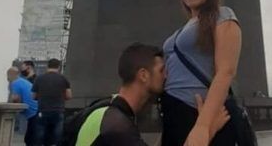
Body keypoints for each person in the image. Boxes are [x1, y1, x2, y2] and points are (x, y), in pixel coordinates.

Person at [74, 42, 228, 146]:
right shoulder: (117, 126)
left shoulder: (108, 111)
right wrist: (207, 129)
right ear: (143, 75)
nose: (167, 76)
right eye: (161, 70)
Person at [161, 0, 241, 146]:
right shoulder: (183, 28)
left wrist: (203, 125)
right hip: (173, 113)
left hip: (199, 113)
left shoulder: (223, 15)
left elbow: (226, 71)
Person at [32, 58, 72, 146]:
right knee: (56, 135)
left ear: (47, 66)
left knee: (40, 134)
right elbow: (69, 96)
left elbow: (33, 96)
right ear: (59, 67)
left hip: (42, 110)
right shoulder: (63, 79)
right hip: (58, 110)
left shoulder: (39, 78)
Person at [7, 66, 39, 146]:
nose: (7, 78)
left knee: (30, 140)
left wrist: (9, 103)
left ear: (10, 75)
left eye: (7, 75)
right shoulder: (22, 81)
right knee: (30, 138)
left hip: (33, 113)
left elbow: (16, 99)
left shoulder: (15, 83)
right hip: (37, 111)